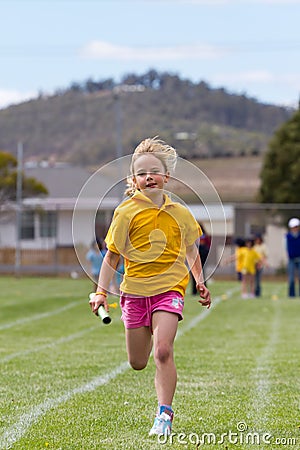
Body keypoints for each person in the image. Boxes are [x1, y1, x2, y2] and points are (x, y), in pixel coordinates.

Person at [89, 137, 211, 437]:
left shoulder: (180, 213)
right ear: (134, 180)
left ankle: (164, 416)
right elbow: (112, 258)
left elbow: (191, 250)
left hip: (169, 290)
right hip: (134, 293)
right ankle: (158, 400)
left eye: (154, 172)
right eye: (142, 173)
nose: (149, 177)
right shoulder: (125, 213)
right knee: (138, 362)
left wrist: (199, 281)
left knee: (163, 351)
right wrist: (102, 292)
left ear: (166, 177)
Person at [286, 217, 300, 297]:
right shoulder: (288, 236)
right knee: (291, 278)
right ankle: (291, 294)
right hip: (291, 259)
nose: (294, 228)